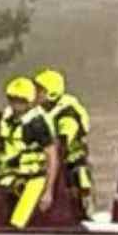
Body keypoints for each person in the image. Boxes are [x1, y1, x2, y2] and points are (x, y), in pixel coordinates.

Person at [0, 77, 60, 228]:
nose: (16, 104)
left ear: (29, 102)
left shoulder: (37, 124)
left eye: (20, 101)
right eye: (12, 99)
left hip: (33, 178)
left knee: (19, 219)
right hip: (9, 174)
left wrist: (48, 191)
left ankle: (18, 233)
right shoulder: (6, 118)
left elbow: (52, 156)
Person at [33, 68, 95, 218]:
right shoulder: (37, 111)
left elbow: (63, 140)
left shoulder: (68, 113)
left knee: (80, 182)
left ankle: (84, 212)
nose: (35, 93)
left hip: (71, 162)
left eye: (39, 90)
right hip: (45, 161)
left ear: (51, 92)